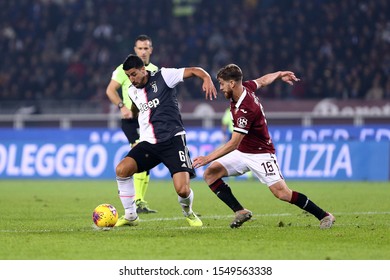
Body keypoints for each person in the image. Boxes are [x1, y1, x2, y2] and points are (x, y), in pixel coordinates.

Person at [193, 64, 335, 229]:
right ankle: (240, 211)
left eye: (222, 84)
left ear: (232, 83)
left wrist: (207, 158)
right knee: (210, 174)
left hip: (261, 154)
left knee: (282, 193)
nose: (221, 88)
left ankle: (325, 216)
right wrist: (280, 74)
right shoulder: (245, 87)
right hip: (243, 151)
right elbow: (262, 81)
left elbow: (233, 143)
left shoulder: (246, 109)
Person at [114, 54, 217, 227]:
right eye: (128, 76)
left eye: (133, 74)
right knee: (122, 170)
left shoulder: (164, 76)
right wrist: (131, 119)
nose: (131, 79)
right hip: (148, 143)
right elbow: (136, 107)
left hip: (173, 140)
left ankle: (188, 212)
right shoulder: (132, 91)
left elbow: (193, 71)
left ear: (142, 69)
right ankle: (131, 216)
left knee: (183, 190)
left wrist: (206, 77)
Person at [106, 35, 158, 214]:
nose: (143, 52)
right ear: (135, 50)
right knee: (140, 151)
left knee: (147, 159)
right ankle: (136, 201)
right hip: (131, 120)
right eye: (140, 48)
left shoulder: (155, 71)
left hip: (148, 120)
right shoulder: (124, 69)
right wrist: (122, 107)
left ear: (151, 50)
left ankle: (140, 201)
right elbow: (110, 90)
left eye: (146, 48)